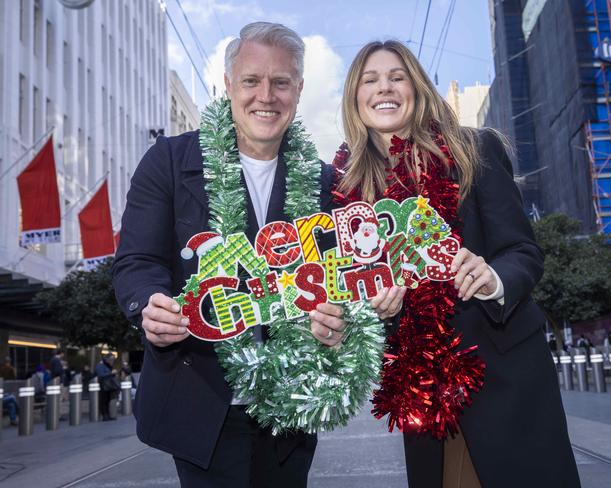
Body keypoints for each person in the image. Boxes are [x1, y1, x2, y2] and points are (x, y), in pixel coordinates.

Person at [112, 22, 403, 488]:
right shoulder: (167, 161)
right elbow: (136, 262)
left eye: (280, 82)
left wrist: (344, 319)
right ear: (229, 85)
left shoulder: (329, 184)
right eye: (251, 80)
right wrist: (148, 304)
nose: (265, 95)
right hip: (200, 399)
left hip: (292, 406)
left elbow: (349, 282)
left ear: (299, 89)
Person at [316, 40, 580, 487]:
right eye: (371, 79)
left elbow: (523, 252)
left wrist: (493, 277)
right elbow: (348, 296)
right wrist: (372, 311)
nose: (386, 88)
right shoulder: (346, 194)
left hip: (503, 373)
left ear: (416, 88)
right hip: (422, 390)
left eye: (397, 77)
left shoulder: (473, 150)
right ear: (355, 97)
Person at [95, 353, 119, 421]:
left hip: (108, 386)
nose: (112, 361)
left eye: (113, 359)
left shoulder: (107, 365)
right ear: (106, 359)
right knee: (104, 401)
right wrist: (111, 373)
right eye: (111, 359)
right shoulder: (100, 365)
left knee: (108, 400)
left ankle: (108, 415)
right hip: (103, 386)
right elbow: (101, 375)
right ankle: (105, 415)